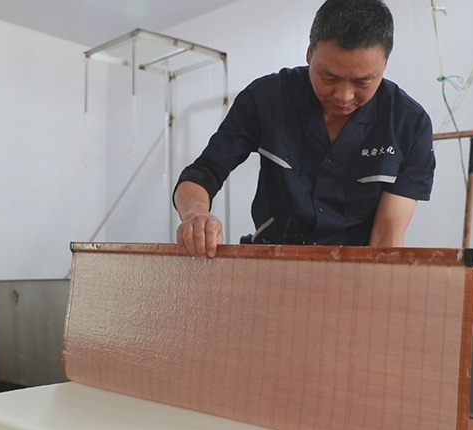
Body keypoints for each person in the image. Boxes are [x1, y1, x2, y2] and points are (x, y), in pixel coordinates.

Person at [174, 0, 435, 257]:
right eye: (329, 77)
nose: (344, 96)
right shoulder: (266, 99)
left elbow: (387, 236)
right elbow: (205, 172)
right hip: (270, 261)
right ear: (310, 54)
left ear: (384, 64)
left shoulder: (409, 124)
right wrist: (196, 215)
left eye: (362, 82)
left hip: (356, 270)